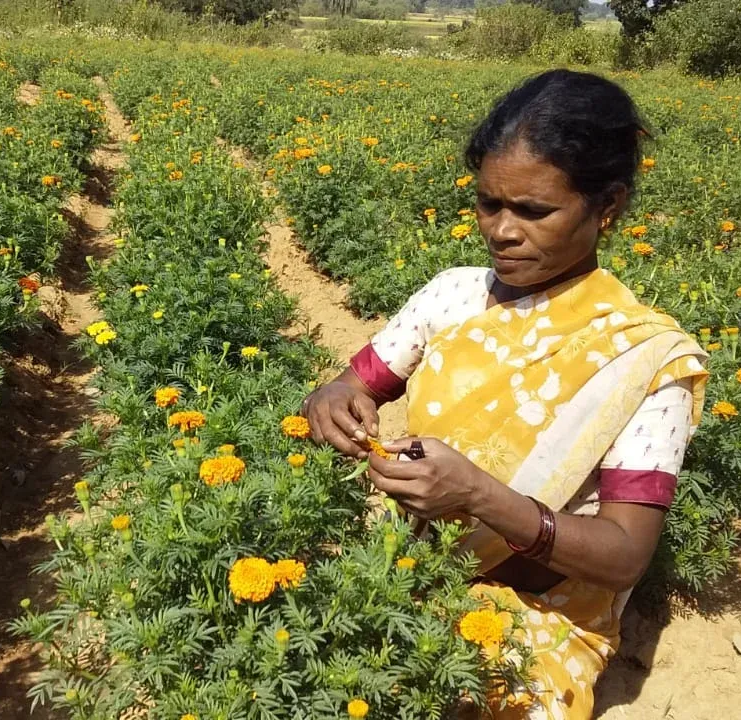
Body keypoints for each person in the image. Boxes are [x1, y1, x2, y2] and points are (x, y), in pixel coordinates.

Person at [301, 70, 708, 720]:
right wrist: (333, 400)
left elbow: (625, 554)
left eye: (534, 211)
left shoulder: (644, 357)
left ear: (608, 208)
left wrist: (481, 499)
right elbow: (352, 385)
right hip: (407, 564)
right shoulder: (453, 295)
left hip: (538, 610)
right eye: (489, 204)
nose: (502, 230)